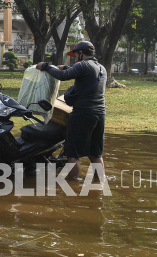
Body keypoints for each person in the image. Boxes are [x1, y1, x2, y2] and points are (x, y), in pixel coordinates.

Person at [36, 41, 106, 180]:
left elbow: (63, 76)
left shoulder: (82, 65)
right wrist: (67, 67)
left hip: (83, 114)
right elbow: (83, 75)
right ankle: (99, 185)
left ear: (80, 53)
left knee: (72, 154)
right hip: (100, 114)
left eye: (75, 55)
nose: (74, 58)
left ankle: (72, 187)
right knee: (95, 154)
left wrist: (45, 66)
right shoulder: (101, 68)